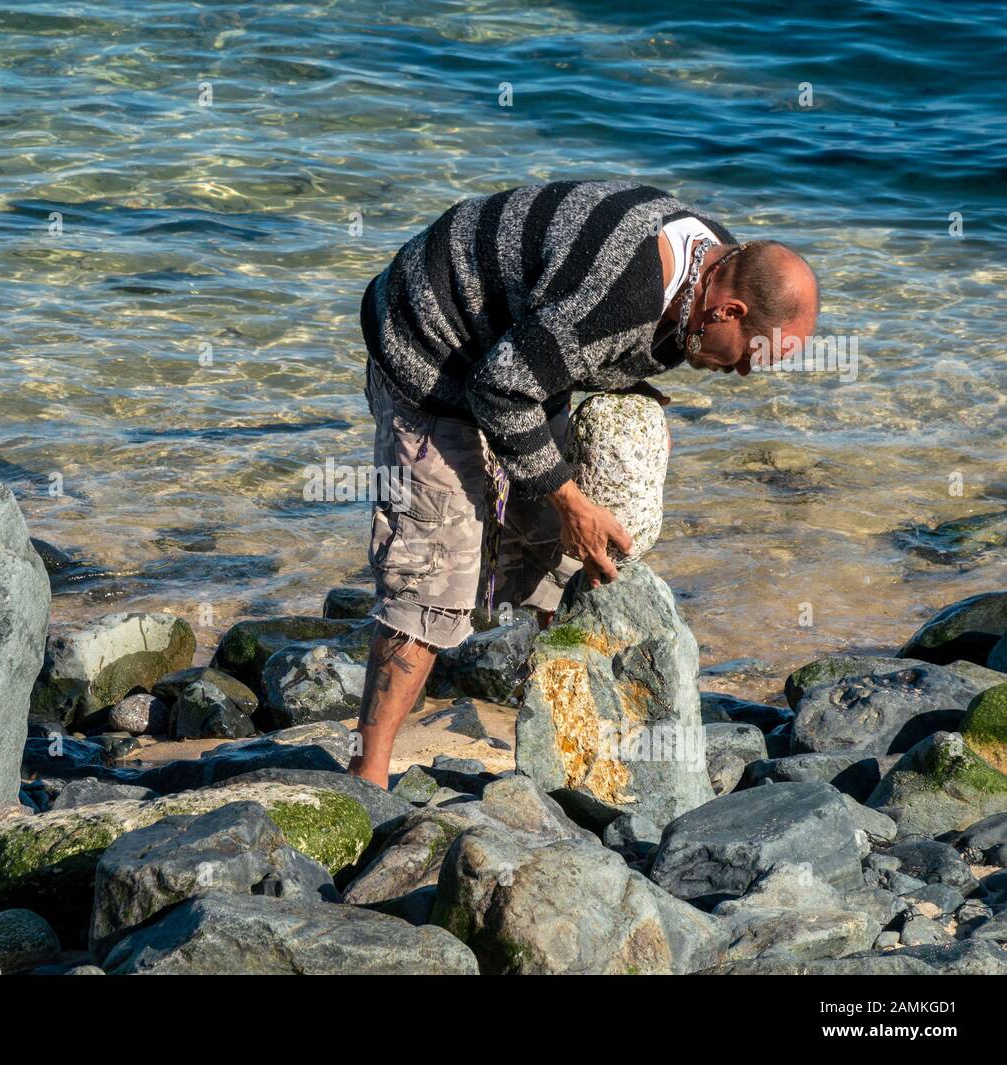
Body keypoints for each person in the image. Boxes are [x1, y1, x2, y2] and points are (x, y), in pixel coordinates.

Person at [346, 180, 818, 788]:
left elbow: (561, 347)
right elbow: (501, 387)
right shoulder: (627, 290)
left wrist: (630, 409)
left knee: (563, 560)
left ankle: (557, 741)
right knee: (435, 573)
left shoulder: (716, 267)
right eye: (752, 355)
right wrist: (567, 498)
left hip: (513, 356)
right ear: (728, 310)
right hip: (428, 339)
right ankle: (369, 773)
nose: (749, 372)